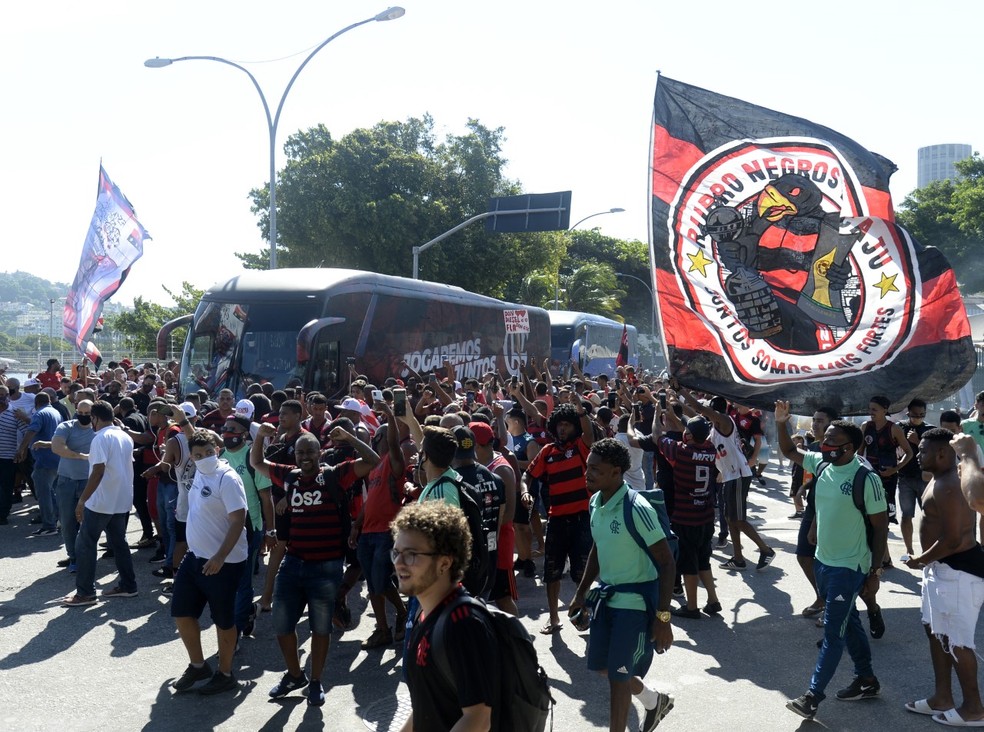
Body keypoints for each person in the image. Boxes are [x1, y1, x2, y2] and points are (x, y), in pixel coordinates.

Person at [776, 401, 889, 720]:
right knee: (849, 621)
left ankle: (812, 697)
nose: (824, 445)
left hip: (849, 567)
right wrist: (781, 423)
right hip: (823, 562)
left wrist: (875, 570)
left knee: (834, 633)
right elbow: (789, 452)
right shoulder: (824, 463)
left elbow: (880, 527)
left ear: (850, 448)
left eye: (832, 442)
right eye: (824, 439)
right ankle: (867, 680)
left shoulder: (866, 478)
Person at [251, 428, 370, 706]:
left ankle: (315, 681)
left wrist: (351, 439)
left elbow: (373, 462)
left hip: (327, 567)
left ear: (320, 452)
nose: (305, 456)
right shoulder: (289, 476)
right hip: (293, 563)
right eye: (300, 452)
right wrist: (259, 438)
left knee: (320, 628)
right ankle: (295, 675)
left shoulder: (335, 474)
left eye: (310, 451)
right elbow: (257, 463)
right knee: (281, 625)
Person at [569, 438, 676, 732]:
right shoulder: (595, 502)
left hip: (635, 605)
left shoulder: (637, 507)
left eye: (596, 470)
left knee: (618, 677)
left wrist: (663, 618)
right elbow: (598, 548)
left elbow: (667, 563)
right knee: (606, 667)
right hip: (606, 600)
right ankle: (654, 700)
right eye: (587, 467)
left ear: (616, 472)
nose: (587, 474)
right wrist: (580, 594)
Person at [902, 428, 984, 725]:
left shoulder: (950, 483)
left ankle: (974, 709)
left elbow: (954, 540)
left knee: (957, 641)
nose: (917, 455)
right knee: (937, 633)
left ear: (942, 453)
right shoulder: (938, 479)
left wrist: (918, 560)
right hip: (940, 569)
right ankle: (942, 697)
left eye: (923, 451)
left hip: (957, 571)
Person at [395, 501, 500, 731]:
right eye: (397, 552)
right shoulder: (426, 615)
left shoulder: (463, 623)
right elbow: (427, 703)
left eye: (411, 554)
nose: (399, 563)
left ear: (444, 563)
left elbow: (478, 719)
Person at [169, 429, 248, 695]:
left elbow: (238, 520)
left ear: (218, 450)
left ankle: (225, 673)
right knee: (181, 611)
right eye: (198, 454)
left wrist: (219, 557)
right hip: (195, 558)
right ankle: (198, 665)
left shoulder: (227, 478)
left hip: (223, 563)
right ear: (191, 456)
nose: (204, 458)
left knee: (223, 620)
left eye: (209, 452)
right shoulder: (200, 472)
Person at [681, 389, 775, 571]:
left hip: (739, 475)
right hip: (729, 476)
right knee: (729, 518)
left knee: (738, 519)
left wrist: (682, 391)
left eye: (708, 411)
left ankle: (766, 550)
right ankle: (738, 559)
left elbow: (699, 408)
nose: (704, 413)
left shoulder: (725, 422)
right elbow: (694, 417)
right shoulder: (715, 428)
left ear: (714, 411)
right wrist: (676, 405)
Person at [522, 400, 595, 634]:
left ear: (574, 426)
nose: (563, 429)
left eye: (567, 424)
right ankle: (554, 619)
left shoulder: (582, 446)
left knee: (581, 572)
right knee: (551, 571)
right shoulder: (548, 451)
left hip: (582, 519)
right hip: (556, 520)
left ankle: (583, 614)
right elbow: (527, 475)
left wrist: (581, 411)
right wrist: (525, 490)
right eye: (559, 425)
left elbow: (590, 434)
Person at [62, 401, 138, 607]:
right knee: (120, 543)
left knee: (85, 544)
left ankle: (86, 593)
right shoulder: (124, 436)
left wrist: (82, 500)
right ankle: (129, 585)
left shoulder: (100, 438)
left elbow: (98, 471)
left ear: (95, 418)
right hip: (121, 500)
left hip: (101, 501)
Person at [350, 402, 410, 650]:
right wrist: (357, 525)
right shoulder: (374, 467)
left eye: (378, 436)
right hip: (367, 532)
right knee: (374, 585)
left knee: (380, 580)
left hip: (386, 531)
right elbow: (371, 499)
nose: (374, 440)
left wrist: (389, 416)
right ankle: (382, 629)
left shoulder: (394, 462)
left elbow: (395, 444)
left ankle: (402, 611)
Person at [859, 395, 913, 543]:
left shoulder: (894, 429)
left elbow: (909, 453)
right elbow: (859, 452)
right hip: (870, 476)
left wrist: (895, 469)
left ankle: (883, 557)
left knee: (885, 516)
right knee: (869, 513)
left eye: (874, 409)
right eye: (869, 409)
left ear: (885, 410)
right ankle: (879, 555)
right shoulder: (865, 427)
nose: (871, 412)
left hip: (888, 477)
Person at [49, 400, 95, 573]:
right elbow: (57, 447)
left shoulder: (98, 429)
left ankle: (84, 554)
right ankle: (73, 557)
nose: (83, 417)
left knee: (87, 522)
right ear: (76, 412)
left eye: (87, 413)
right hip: (66, 480)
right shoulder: (66, 426)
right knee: (67, 521)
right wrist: (80, 456)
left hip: (89, 481)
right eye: (80, 413)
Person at [17, 391, 63, 537]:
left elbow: (31, 431)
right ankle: (58, 521)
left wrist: (21, 449)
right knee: (53, 493)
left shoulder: (39, 413)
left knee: (43, 494)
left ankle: (49, 525)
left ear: (36, 403)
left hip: (44, 459)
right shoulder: (55, 412)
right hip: (56, 458)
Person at [896, 399, 932, 558]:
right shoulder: (899, 428)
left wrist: (917, 441)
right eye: (915, 414)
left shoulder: (930, 430)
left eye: (921, 415)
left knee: (929, 515)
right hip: (905, 478)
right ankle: (909, 550)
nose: (918, 417)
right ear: (908, 412)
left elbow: (933, 453)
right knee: (906, 515)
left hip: (925, 479)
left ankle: (928, 549)